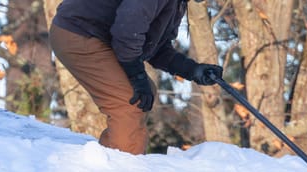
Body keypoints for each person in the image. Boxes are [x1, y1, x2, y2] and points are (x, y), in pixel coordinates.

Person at [49, 0, 223, 155]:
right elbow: (127, 31)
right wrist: (137, 75)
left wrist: (192, 70)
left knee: (144, 93)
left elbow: (157, 47)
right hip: (78, 32)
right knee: (130, 101)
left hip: (96, 35)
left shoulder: (177, 4)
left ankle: (116, 158)